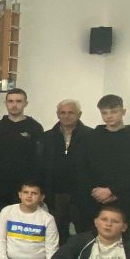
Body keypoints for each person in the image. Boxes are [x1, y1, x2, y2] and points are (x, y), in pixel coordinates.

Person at [74, 94, 130, 226]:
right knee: (89, 235)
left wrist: (113, 191)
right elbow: (81, 168)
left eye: (114, 111)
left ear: (123, 111)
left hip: (122, 199)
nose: (109, 116)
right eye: (104, 112)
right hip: (91, 199)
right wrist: (95, 191)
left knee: (119, 237)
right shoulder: (90, 138)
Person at [0, 88, 44, 220]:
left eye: (18, 101)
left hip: (25, 186)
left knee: (24, 220)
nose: (14, 105)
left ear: (25, 103)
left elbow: (40, 159)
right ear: (6, 103)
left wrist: (38, 185)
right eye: (10, 101)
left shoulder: (35, 128)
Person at [40, 98, 91, 238]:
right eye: (62, 112)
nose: (66, 116)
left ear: (79, 114)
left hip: (82, 195)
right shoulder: (47, 137)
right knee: (58, 234)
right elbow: (41, 166)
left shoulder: (91, 136)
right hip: (56, 195)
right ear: (57, 114)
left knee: (85, 233)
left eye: (70, 112)